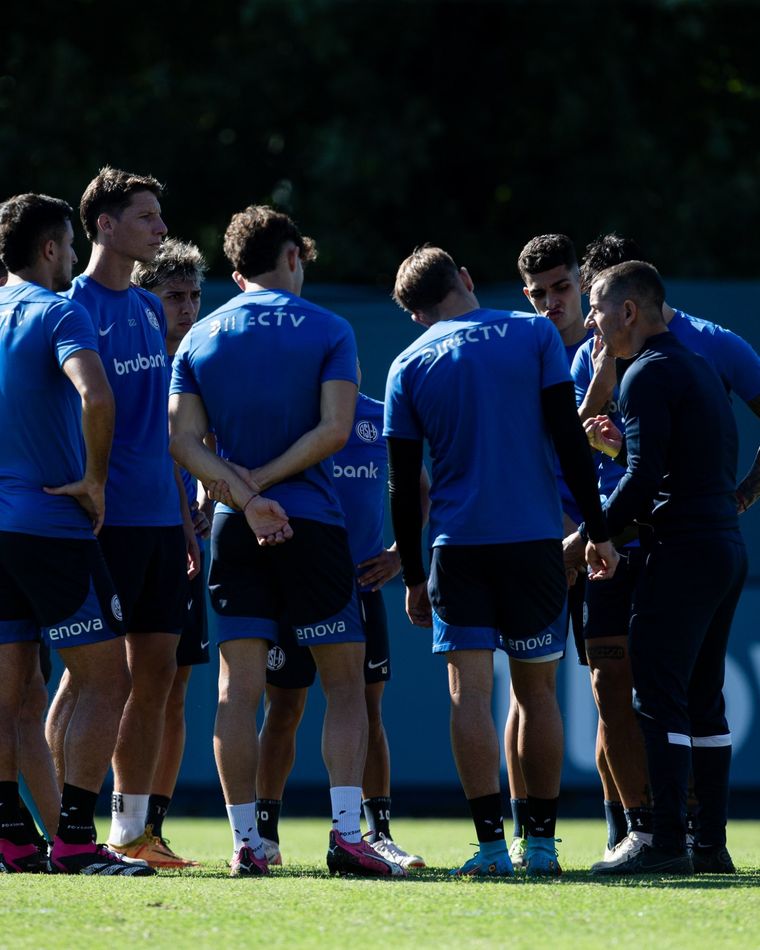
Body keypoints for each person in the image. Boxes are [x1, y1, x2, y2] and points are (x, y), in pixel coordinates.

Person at [169, 204, 405, 878]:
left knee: (235, 693)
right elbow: (335, 429)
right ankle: (344, 837)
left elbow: (182, 441)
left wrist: (245, 496)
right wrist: (270, 486)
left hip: (234, 530)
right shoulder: (329, 327)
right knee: (346, 689)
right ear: (294, 257)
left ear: (236, 270)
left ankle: (248, 841)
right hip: (313, 526)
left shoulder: (200, 336)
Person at [385, 245, 617, 878]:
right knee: (537, 692)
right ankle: (539, 846)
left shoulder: (407, 363)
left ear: (416, 314)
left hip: (456, 549)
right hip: (533, 544)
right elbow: (569, 440)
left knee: (469, 696)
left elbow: (405, 487)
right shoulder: (536, 333)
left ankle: (491, 848)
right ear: (465, 277)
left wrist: (410, 574)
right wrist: (596, 530)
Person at [567, 233, 760, 871]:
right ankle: (711, 848)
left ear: (629, 311)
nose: (589, 321)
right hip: (723, 548)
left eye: (596, 307)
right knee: (703, 701)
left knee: (657, 697)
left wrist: (586, 537)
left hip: (680, 550)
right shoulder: (699, 364)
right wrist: (740, 498)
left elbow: (645, 477)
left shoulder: (647, 371)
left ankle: (667, 845)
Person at [45, 167, 200, 869]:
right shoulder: (71, 307)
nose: (160, 229)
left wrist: (185, 520)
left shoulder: (144, 307)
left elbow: (155, 431)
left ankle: (131, 830)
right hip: (99, 524)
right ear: (104, 225)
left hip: (160, 525)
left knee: (157, 676)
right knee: (86, 680)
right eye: (146, 217)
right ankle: (56, 819)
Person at [0, 193, 151, 875]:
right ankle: (76, 839)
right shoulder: (60, 310)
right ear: (53, 249)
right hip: (51, 526)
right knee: (108, 677)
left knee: (16, 695)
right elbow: (96, 394)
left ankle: (12, 837)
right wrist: (94, 481)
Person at [256, 385, 428, 870]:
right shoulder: (294, 417)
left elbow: (420, 487)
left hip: (361, 589)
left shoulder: (381, 416)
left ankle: (379, 833)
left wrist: (400, 554)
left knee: (368, 708)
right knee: (284, 706)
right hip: (297, 582)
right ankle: (265, 835)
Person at [506, 234, 595, 867]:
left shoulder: (611, 347)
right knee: (525, 693)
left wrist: (588, 530)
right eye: (536, 293)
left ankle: (639, 830)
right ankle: (528, 834)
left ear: (585, 285)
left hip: (608, 536)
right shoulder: (520, 351)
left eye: (560, 288)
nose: (549, 303)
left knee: (618, 689)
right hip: (543, 541)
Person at [130, 238, 211, 866]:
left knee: (176, 685)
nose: (186, 308)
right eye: (173, 297)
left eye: (193, 296)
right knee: (93, 681)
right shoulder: (128, 361)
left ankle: (150, 829)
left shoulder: (199, 365)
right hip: (134, 535)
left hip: (183, 543)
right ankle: (68, 818)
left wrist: (210, 495)